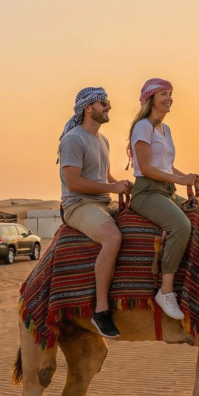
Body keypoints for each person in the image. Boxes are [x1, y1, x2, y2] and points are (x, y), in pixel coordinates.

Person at [58, 86, 132, 338]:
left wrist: (120, 184)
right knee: (113, 238)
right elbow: (74, 183)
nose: (109, 106)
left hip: (103, 202)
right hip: (78, 204)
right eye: (103, 103)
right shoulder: (73, 140)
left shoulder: (103, 140)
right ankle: (101, 310)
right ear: (88, 108)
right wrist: (111, 187)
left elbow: (105, 176)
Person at [125, 78, 199, 320]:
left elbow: (167, 165)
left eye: (170, 93)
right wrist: (178, 181)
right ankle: (166, 291)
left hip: (166, 190)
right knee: (180, 225)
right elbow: (146, 168)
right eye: (163, 94)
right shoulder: (143, 127)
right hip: (147, 192)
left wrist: (186, 176)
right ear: (150, 99)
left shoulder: (164, 129)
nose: (169, 98)